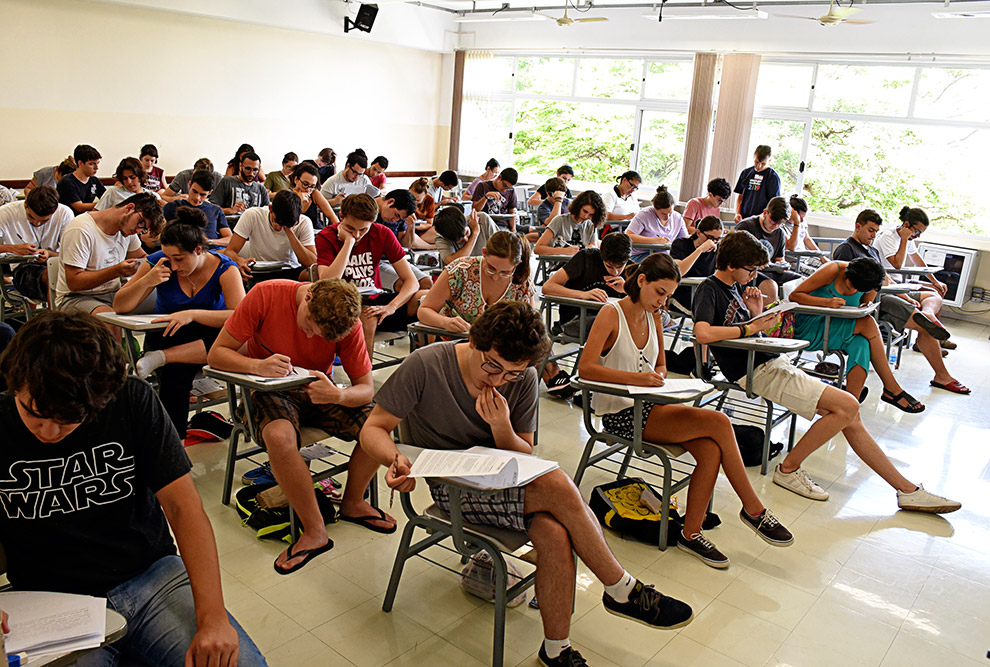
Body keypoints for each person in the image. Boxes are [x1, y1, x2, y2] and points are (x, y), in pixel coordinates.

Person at [361, 301, 695, 666]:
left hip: (503, 478)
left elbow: (524, 450)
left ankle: (556, 651)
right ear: (473, 340)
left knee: (553, 533)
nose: (499, 379)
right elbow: (373, 428)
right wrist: (394, 459)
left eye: (512, 373)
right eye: (493, 365)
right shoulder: (428, 364)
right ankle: (621, 588)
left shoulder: (525, 378)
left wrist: (500, 427)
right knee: (556, 482)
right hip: (451, 484)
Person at [0, 311, 268, 666]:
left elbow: (183, 508)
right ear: (14, 385)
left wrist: (213, 618)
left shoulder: (130, 399)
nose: (49, 432)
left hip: (151, 576)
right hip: (50, 599)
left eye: (68, 420)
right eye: (35, 414)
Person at [692, 231, 961, 514]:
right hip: (755, 370)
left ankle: (906, 490)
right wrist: (751, 327)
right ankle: (788, 469)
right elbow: (703, 332)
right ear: (732, 265)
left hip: (770, 361)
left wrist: (755, 311)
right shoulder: (710, 288)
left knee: (850, 413)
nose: (755, 274)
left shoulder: (736, 287)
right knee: (847, 406)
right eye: (752, 269)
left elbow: (747, 327)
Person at [113, 208, 244, 437]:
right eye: (168, 257)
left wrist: (193, 314)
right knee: (176, 374)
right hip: (168, 332)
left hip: (207, 338)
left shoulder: (224, 267)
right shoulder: (158, 262)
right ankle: (173, 441)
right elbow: (120, 305)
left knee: (234, 339)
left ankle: (161, 360)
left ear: (198, 250)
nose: (173, 266)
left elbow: (238, 316)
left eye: (179, 259)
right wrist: (147, 281)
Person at [418, 230, 572, 394]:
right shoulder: (460, 270)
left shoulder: (520, 282)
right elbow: (424, 310)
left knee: (533, 338)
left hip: (499, 349)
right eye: (491, 268)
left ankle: (551, 374)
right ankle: (553, 375)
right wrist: (446, 322)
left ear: (517, 264)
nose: (496, 277)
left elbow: (529, 325)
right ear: (484, 253)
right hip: (459, 341)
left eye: (505, 272)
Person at [832, 210, 968, 394]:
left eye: (875, 231)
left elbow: (885, 276)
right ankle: (942, 375)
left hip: (887, 291)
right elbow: (846, 285)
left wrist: (904, 293)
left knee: (930, 302)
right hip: (874, 299)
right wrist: (897, 293)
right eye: (871, 230)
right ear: (858, 226)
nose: (873, 235)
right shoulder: (847, 249)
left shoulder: (870, 249)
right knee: (925, 325)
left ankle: (928, 319)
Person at [791, 258, 927, 412]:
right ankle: (891, 388)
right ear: (848, 273)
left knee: (861, 343)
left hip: (840, 326)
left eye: (860, 289)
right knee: (868, 323)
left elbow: (863, 304)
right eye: (851, 286)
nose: (854, 291)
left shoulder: (871, 282)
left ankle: (849, 405)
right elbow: (795, 296)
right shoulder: (833, 270)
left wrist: (866, 305)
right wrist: (825, 302)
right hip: (811, 325)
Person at [315, 194, 424, 355]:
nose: (357, 235)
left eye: (363, 230)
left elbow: (412, 282)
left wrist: (390, 307)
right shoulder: (327, 236)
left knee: (424, 298)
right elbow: (328, 281)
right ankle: (364, 377)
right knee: (368, 316)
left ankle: (422, 367)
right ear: (341, 217)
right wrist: (348, 243)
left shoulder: (382, 233)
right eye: (350, 228)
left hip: (375, 300)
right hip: (342, 304)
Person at [55, 193, 163, 316]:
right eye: (140, 223)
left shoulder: (128, 231)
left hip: (114, 293)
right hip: (76, 297)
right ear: (129, 208)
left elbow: (142, 258)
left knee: (166, 305)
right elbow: (74, 283)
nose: (138, 231)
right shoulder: (81, 229)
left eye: (143, 229)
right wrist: (117, 271)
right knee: (111, 320)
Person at [873, 206, 956, 350]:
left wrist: (935, 282)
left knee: (937, 291)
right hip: (888, 283)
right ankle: (933, 332)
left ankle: (927, 323)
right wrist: (905, 238)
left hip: (900, 281)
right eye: (917, 231)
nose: (917, 236)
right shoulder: (889, 236)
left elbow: (918, 260)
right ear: (906, 225)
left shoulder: (909, 239)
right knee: (929, 293)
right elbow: (897, 264)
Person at [542, 231, 631, 339]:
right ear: (602, 256)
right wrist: (583, 295)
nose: (615, 272)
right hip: (575, 318)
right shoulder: (586, 257)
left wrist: (626, 289)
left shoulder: (630, 268)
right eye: (609, 266)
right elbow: (548, 287)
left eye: (620, 266)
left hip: (611, 319)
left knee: (627, 325)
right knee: (613, 327)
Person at [0, 187, 73, 301]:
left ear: (54, 211)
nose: (37, 223)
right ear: (25, 204)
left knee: (67, 275)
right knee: (53, 276)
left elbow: (70, 253)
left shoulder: (64, 213)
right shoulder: (5, 213)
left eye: (44, 221)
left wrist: (49, 253)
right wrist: (13, 248)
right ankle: (55, 317)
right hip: (21, 267)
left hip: (55, 262)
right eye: (31, 217)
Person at [224, 190, 315, 282]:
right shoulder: (253, 215)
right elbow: (230, 251)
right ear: (270, 208)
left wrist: (289, 231)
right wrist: (239, 260)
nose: (280, 228)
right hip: (261, 271)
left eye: (285, 225)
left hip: (291, 269)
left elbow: (312, 263)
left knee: (316, 274)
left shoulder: (303, 222)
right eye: (277, 222)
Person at [735, 196, 802, 297]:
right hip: (749, 273)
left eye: (779, 224)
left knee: (803, 282)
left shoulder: (780, 233)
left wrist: (781, 264)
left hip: (771, 271)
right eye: (772, 221)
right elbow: (734, 256)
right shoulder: (746, 227)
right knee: (770, 286)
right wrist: (756, 263)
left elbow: (780, 258)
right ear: (765, 212)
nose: (775, 226)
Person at [162, 168, 232, 247]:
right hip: (182, 251)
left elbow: (230, 239)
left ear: (210, 192)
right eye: (194, 191)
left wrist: (209, 241)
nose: (197, 198)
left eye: (202, 195)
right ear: (189, 185)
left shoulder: (215, 210)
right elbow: (160, 236)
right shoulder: (172, 207)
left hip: (211, 251)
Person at [668, 215, 721, 307]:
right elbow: (679, 271)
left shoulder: (717, 248)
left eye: (717, 239)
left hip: (705, 292)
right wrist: (700, 250)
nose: (712, 242)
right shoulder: (681, 244)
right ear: (699, 232)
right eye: (709, 237)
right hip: (682, 292)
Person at [626, 185, 688, 262]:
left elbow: (684, 239)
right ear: (654, 208)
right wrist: (655, 240)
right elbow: (628, 236)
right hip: (641, 255)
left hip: (665, 255)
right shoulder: (644, 215)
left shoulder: (678, 217)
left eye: (670, 213)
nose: (668, 217)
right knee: (663, 265)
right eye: (663, 214)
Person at [534, 190, 606, 256]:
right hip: (560, 265)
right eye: (585, 211)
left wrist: (592, 247)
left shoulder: (590, 225)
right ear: (578, 206)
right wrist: (564, 251)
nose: (586, 216)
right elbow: (537, 248)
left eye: (591, 215)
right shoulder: (559, 220)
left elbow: (593, 245)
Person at [734, 144, 780, 223]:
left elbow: (773, 204)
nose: (759, 166)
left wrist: (760, 216)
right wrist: (737, 213)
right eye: (757, 162)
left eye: (763, 164)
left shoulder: (773, 177)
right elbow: (740, 196)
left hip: (761, 221)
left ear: (769, 161)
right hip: (743, 219)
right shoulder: (746, 173)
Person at [95, 157, 161, 210]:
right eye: (125, 178)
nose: (129, 182)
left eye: (132, 177)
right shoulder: (113, 192)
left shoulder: (153, 196)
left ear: (140, 176)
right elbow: (95, 214)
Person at [57, 144, 106, 215]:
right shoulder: (67, 182)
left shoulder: (94, 180)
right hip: (69, 221)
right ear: (80, 163)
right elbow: (79, 207)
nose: (96, 167)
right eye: (92, 164)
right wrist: (103, 203)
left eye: (97, 163)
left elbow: (105, 196)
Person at [291, 162, 339, 231]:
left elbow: (332, 216)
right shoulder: (289, 196)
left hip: (316, 232)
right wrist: (301, 204)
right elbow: (291, 224)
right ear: (296, 180)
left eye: (312, 186)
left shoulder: (314, 193)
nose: (308, 189)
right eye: (305, 184)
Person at [409, 177, 437, 245]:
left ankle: (420, 243)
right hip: (406, 230)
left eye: (418, 200)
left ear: (425, 196)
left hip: (421, 229)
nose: (414, 202)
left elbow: (429, 223)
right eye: (412, 198)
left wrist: (416, 226)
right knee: (410, 239)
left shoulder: (429, 200)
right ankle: (426, 245)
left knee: (438, 233)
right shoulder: (404, 197)